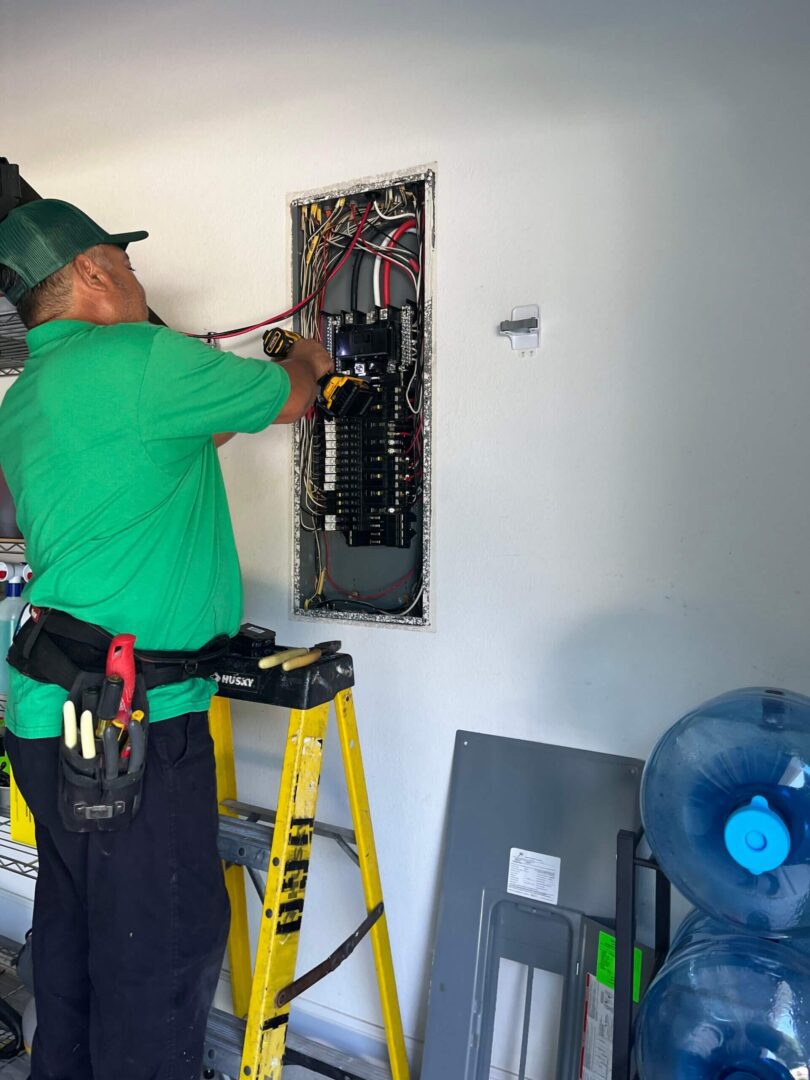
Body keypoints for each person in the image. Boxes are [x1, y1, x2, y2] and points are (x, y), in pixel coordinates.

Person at [0, 198, 333, 1080]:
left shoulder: (28, 396)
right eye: (127, 264)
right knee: (160, 952)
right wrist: (306, 356)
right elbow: (293, 399)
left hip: (46, 717)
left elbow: (206, 429)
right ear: (95, 274)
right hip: (130, 730)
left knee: (72, 940)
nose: (141, 281)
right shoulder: (144, 361)